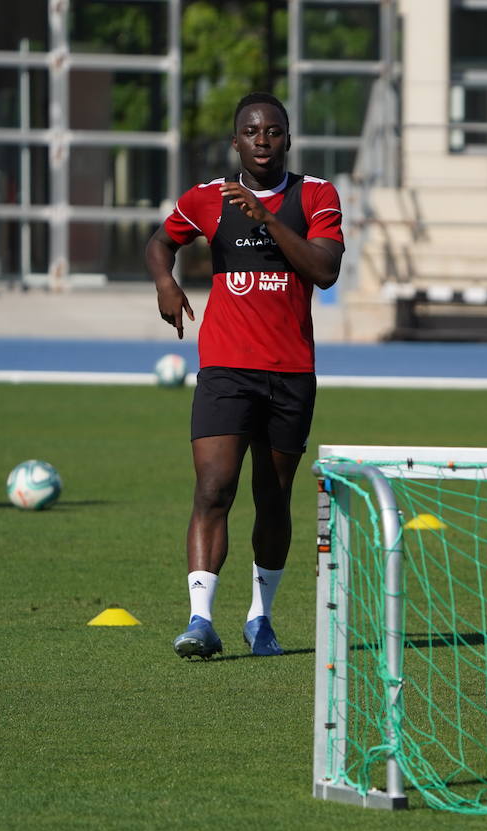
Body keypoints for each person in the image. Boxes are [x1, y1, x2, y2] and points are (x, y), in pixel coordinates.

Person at [144, 91, 345, 659]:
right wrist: (165, 281)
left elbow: (324, 271)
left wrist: (268, 220)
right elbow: (161, 242)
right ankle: (200, 621)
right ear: (236, 141)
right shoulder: (206, 199)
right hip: (226, 368)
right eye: (252, 132)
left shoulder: (316, 196)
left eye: (274, 131)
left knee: (273, 498)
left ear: (287, 138)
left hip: (290, 372)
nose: (263, 140)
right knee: (214, 489)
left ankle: (261, 619)